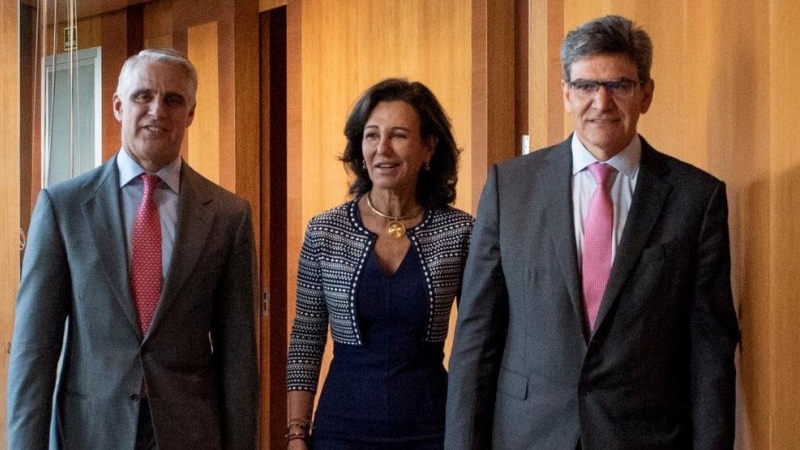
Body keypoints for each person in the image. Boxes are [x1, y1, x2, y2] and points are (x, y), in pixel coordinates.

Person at [445, 15, 740, 450]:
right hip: (529, 434)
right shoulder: (511, 188)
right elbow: (476, 335)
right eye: (585, 86)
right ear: (566, 93)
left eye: (619, 85)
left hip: (646, 436)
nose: (601, 102)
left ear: (646, 94)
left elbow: (710, 352)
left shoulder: (696, 199)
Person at [7, 48, 259, 449]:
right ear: (118, 106)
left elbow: (238, 357)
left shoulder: (228, 216)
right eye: (144, 96)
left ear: (190, 113)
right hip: (90, 431)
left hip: (190, 433)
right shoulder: (64, 207)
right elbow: (34, 350)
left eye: (173, 100)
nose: (158, 110)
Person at [286, 78, 474, 449]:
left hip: (433, 426)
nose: (382, 149)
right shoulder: (325, 230)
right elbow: (306, 339)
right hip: (342, 425)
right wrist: (296, 433)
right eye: (371, 136)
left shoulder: (461, 231)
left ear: (428, 148)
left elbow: (479, 341)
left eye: (399, 135)